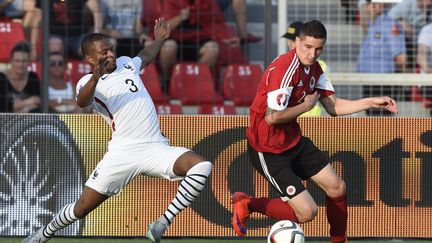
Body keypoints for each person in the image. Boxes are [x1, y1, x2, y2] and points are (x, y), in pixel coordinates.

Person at [21, 18, 213, 243]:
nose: (110, 54)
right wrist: (96, 75)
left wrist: (160, 39)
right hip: (122, 153)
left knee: (202, 165)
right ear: (91, 58)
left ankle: (161, 223)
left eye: (111, 49)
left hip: (155, 147)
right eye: (104, 52)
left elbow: (145, 56)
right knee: (81, 208)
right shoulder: (87, 82)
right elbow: (83, 102)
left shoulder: (125, 63)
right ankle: (42, 235)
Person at [231, 20, 398, 243]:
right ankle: (248, 203)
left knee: (337, 187)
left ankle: (339, 240)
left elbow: (334, 107)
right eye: (308, 47)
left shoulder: (315, 69)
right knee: (307, 213)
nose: (312, 54)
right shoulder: (284, 69)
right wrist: (306, 106)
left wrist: (370, 102)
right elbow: (272, 118)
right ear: (297, 42)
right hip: (267, 149)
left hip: (293, 141)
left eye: (318, 48)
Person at [357, 0, 407, 116]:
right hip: (369, 81)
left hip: (383, 82)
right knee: (373, 122)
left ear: (378, 5)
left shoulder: (389, 25)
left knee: (382, 123)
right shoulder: (372, 25)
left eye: (370, 4)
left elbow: (401, 58)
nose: (367, 8)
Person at [282, 20, 327, 117]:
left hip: (310, 119)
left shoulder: (318, 66)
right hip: (290, 120)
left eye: (292, 40)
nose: (290, 44)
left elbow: (331, 102)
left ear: (299, 41)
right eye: (289, 40)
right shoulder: (285, 65)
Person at [32, 0, 104, 59]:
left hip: (78, 37)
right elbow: (36, 21)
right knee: (55, 45)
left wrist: (95, 37)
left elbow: (96, 11)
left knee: (88, 49)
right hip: (55, 35)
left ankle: (87, 74)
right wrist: (33, 48)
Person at [388, 0, 432, 71]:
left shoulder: (429, 8)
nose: (429, 3)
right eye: (427, 1)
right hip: (403, 40)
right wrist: (402, 23)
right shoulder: (407, 3)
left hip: (419, 40)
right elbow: (389, 18)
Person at [0, 41, 41, 113]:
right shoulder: (2, 78)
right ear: (11, 61)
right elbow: (3, 106)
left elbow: (37, 102)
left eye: (24, 61)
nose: (20, 65)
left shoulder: (33, 77)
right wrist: (27, 102)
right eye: (17, 61)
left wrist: (23, 108)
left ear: (29, 62)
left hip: (28, 121)